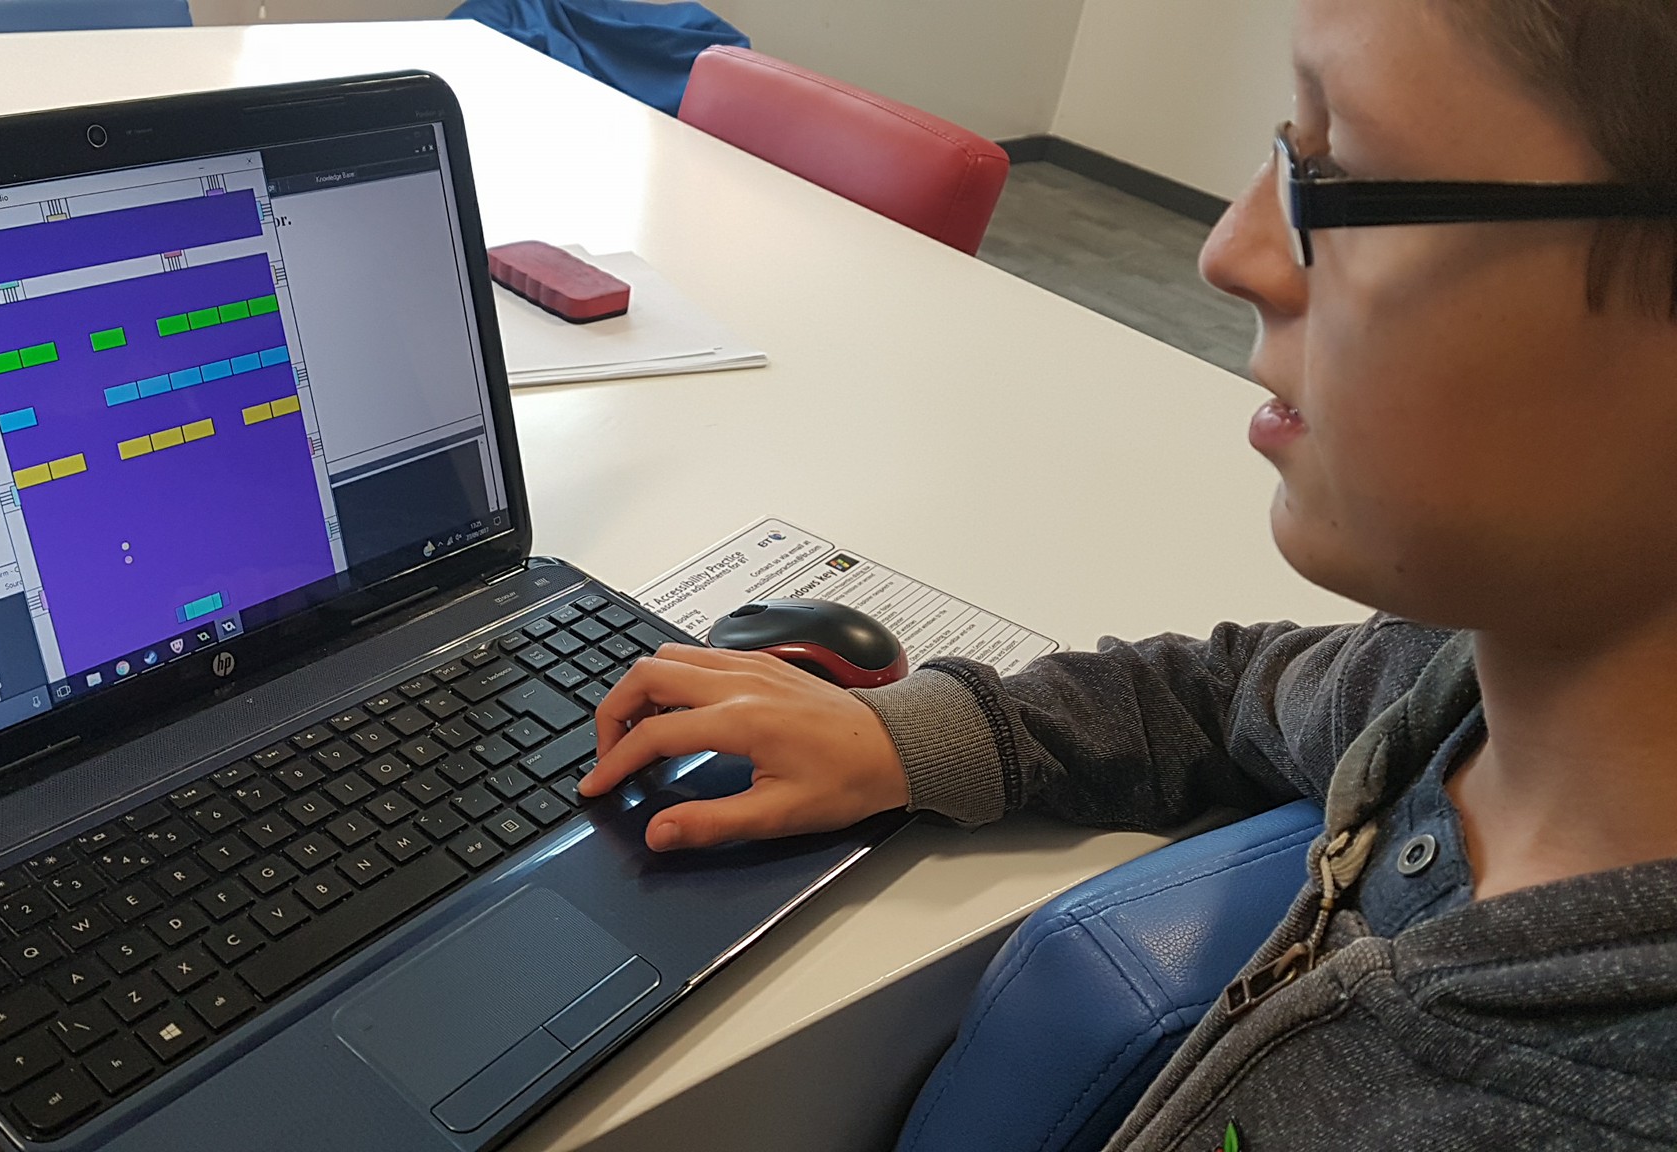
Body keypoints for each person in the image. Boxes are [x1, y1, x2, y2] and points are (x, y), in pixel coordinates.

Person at [580, 0, 1677, 1146]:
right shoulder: (1452, 687)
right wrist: (909, 738)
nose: (1227, 251)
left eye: (1340, 176)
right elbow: (1232, 690)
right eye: (1286, 149)